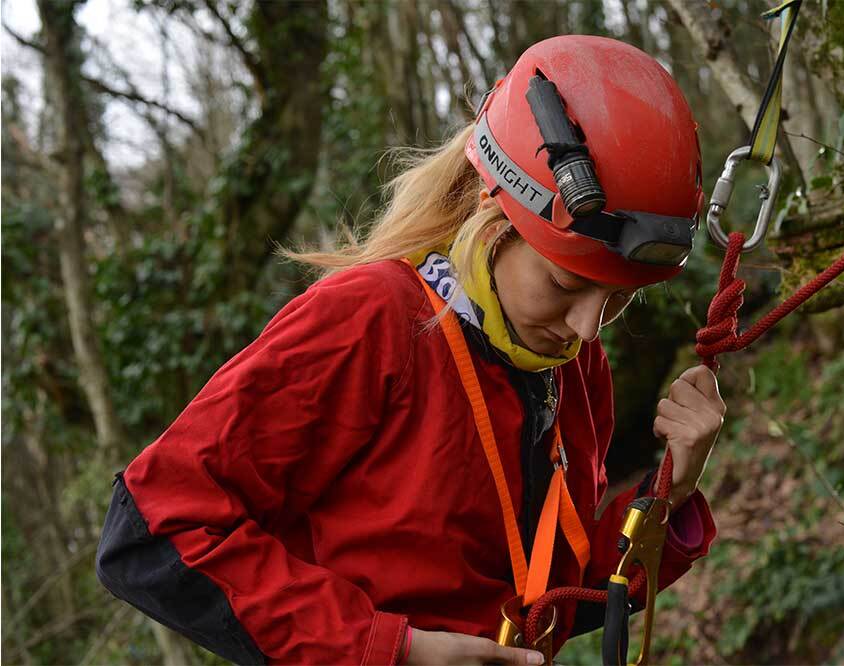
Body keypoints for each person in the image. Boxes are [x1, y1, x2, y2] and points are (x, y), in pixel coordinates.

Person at [96, 35, 725, 665]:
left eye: (618, 299)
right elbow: (152, 531)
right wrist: (392, 651)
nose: (590, 327)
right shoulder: (371, 320)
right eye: (564, 283)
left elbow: (560, 597)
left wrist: (671, 488)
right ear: (493, 212)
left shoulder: (570, 364)